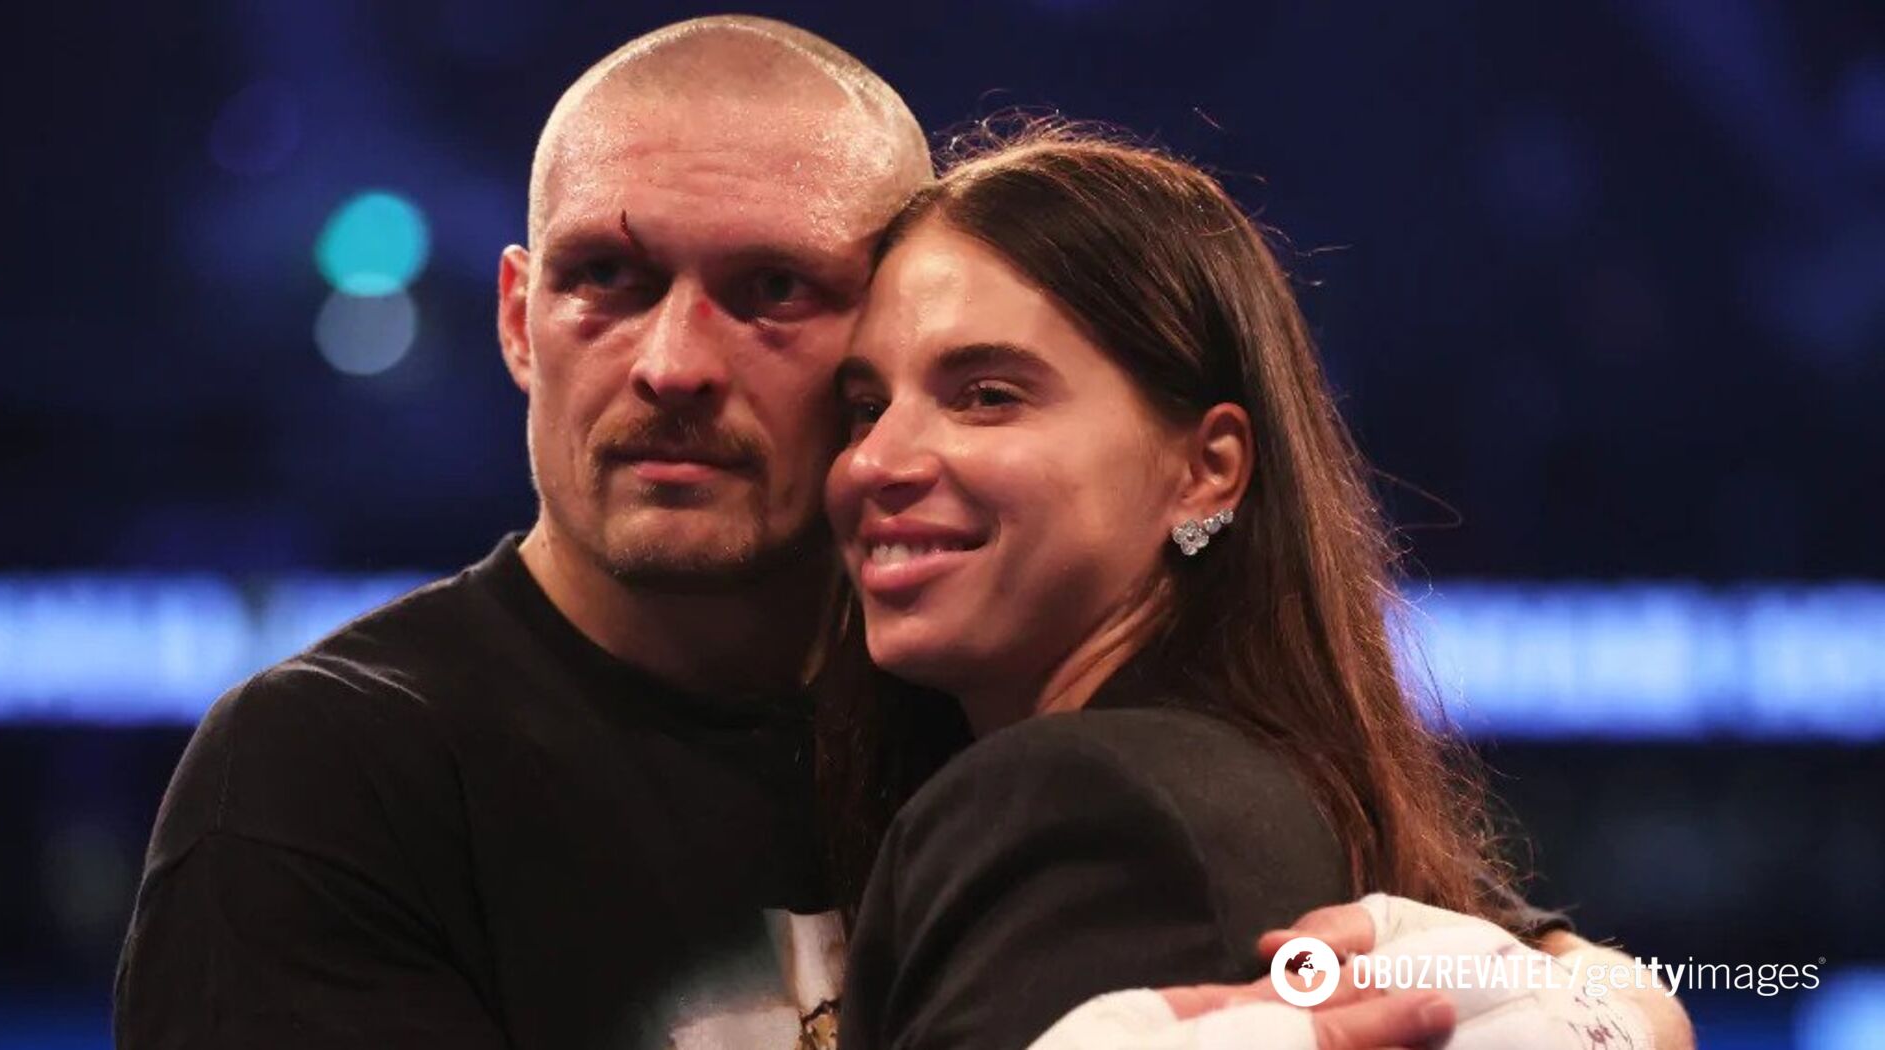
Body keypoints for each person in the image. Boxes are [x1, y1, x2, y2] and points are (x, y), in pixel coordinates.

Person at [114, 16, 1688, 1050]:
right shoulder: (328, 770)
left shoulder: (991, 714)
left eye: (771, 291)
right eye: (608, 279)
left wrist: (1592, 1000)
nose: (673, 361)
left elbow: (1445, 963)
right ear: (521, 319)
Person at [821, 128, 1686, 1050]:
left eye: (988, 395)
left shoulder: (1087, 803)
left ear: (1208, 470)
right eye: (867, 408)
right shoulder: (1289, 790)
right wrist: (1626, 1008)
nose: (874, 461)